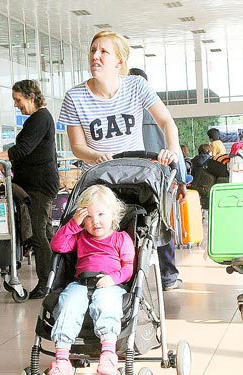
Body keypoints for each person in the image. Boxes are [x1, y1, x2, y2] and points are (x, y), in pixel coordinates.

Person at [58, 33, 183, 291]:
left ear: (119, 60)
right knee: (83, 222)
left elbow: (166, 121)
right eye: (93, 50)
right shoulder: (74, 97)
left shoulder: (136, 86)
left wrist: (171, 150)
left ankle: (164, 274)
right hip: (98, 177)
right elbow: (77, 146)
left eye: (103, 52)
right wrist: (96, 156)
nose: (95, 56)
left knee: (154, 213)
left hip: (135, 175)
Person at [47, 185, 134, 375]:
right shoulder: (79, 237)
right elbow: (58, 245)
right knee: (68, 303)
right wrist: (73, 224)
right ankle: (62, 359)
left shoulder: (121, 239)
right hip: (81, 282)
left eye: (101, 214)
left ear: (113, 214)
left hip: (110, 283)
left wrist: (113, 278)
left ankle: (108, 352)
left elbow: (128, 268)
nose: (95, 221)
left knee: (106, 303)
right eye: (88, 217)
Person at [0, 79, 59, 299]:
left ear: (31, 97)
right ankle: (54, 277)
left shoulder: (40, 118)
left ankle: (45, 282)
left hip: (39, 185)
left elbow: (23, 149)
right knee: (46, 233)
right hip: (37, 183)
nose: (16, 105)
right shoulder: (38, 118)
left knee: (39, 233)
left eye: (18, 100)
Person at [128, 67, 187, 291]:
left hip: (129, 178)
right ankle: (168, 276)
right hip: (160, 180)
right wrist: (181, 181)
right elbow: (176, 151)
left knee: (129, 226)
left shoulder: (124, 113)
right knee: (161, 224)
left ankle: (130, 278)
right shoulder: (159, 113)